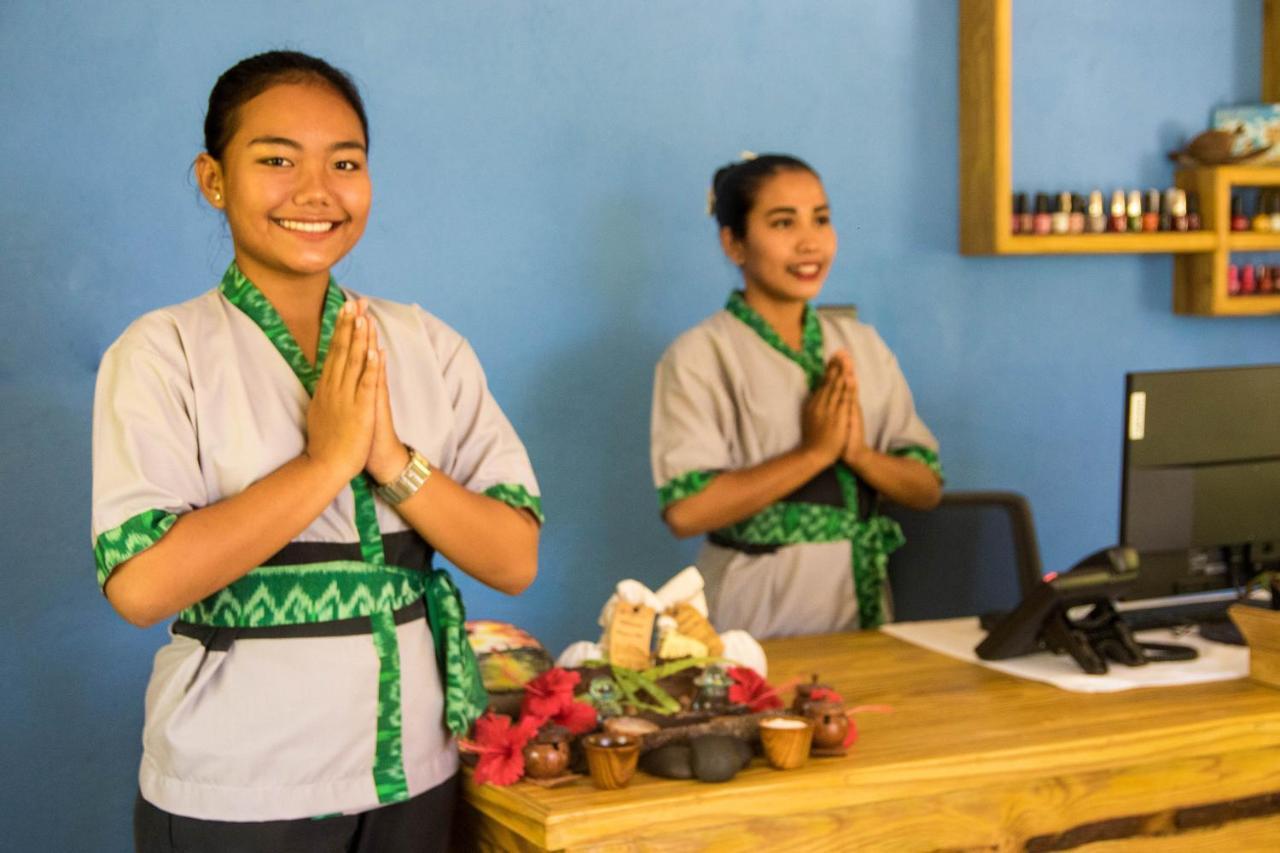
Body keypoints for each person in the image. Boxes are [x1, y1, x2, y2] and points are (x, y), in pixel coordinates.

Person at [91, 51, 542, 852]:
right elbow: (141, 585)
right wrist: (324, 464)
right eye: (275, 160)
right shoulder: (162, 350)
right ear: (213, 179)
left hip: (414, 772)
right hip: (238, 787)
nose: (316, 191)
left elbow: (512, 558)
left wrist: (391, 456)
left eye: (345, 162)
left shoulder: (426, 344)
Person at [650, 153, 941, 640]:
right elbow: (687, 511)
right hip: (756, 613)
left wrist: (858, 454)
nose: (810, 242)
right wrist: (814, 454)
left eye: (821, 219)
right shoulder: (700, 355)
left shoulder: (862, 346)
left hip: (862, 607)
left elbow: (926, 487)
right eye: (783, 222)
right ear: (734, 243)